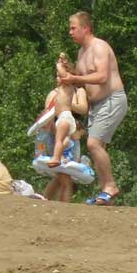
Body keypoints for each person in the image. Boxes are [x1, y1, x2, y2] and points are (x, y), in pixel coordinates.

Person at [60, 11, 127, 206]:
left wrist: (75, 78)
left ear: (85, 28)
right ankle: (106, 193)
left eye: (73, 28)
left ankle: (110, 187)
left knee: (93, 144)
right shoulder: (82, 52)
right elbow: (82, 78)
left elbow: (102, 77)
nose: (70, 32)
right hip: (97, 105)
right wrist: (69, 69)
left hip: (111, 100)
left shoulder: (99, 47)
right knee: (98, 148)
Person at [42, 54, 89, 203]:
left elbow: (83, 108)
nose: (58, 78)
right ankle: (47, 199)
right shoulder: (54, 93)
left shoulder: (74, 90)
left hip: (70, 129)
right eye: (56, 76)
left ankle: (46, 199)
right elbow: (47, 117)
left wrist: (67, 104)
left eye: (59, 75)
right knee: (62, 176)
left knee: (65, 175)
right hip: (57, 132)